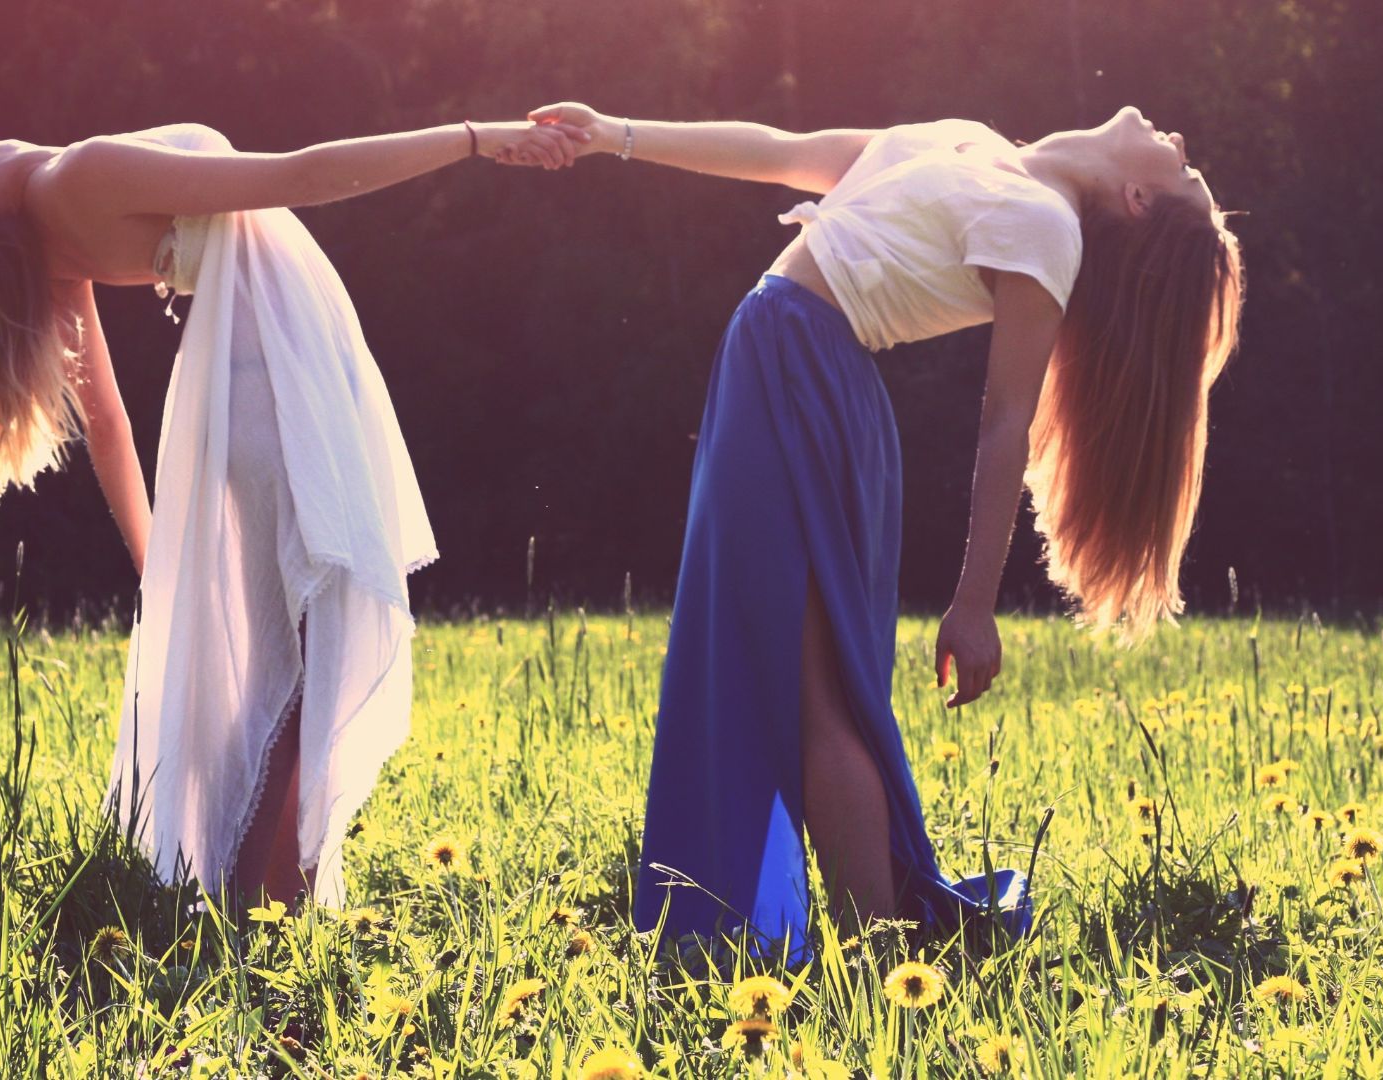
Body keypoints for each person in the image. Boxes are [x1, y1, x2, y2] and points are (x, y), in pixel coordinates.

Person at [509, 103, 1244, 958]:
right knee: (800, 679)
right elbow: (783, 147)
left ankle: (879, 958)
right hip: (786, 361)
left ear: (1138, 201)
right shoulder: (982, 147)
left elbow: (1006, 422)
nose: (1179, 141)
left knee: (814, 692)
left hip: (805, 373)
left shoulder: (1045, 229)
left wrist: (974, 605)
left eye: (1184, 170)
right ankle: (875, 946)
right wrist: (613, 135)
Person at [0, 118, 586, 907]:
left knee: (292, 669)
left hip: (272, 387)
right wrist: (474, 138)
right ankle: (260, 906)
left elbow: (108, 425)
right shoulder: (76, 181)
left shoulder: (49, 222)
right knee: (300, 669)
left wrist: (160, 574)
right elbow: (303, 172)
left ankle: (259, 900)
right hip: (279, 396)